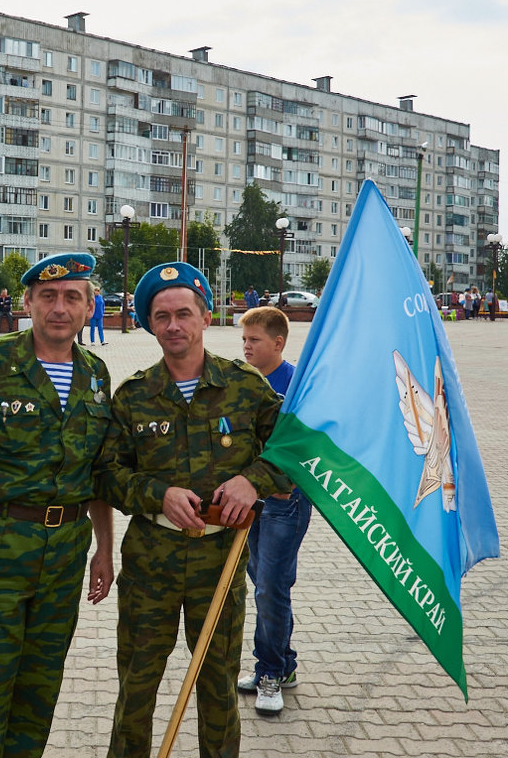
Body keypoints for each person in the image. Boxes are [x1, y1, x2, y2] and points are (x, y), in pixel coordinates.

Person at [100, 262, 291, 757]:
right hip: (151, 559)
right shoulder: (133, 396)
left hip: (220, 562)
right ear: (149, 323)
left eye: (184, 313)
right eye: (161, 316)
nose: (173, 326)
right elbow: (108, 474)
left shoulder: (246, 387)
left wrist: (254, 482)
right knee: (136, 688)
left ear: (206, 317)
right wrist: (156, 494)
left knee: (219, 689)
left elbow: (295, 454)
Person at [0, 253, 114, 758]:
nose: (60, 308)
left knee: (39, 689)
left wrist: (104, 550)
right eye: (49, 297)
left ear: (88, 308)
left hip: (64, 555)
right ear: (29, 303)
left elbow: (97, 474)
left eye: (72, 298)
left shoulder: (96, 374)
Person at [234, 306, 312, 714]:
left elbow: (310, 440)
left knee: (270, 588)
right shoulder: (240, 381)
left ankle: (270, 672)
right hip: (253, 500)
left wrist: (288, 484)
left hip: (286, 500)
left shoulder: (297, 383)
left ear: (278, 343)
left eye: (255, 341)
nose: (246, 347)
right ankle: (285, 662)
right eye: (244, 340)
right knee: (265, 583)